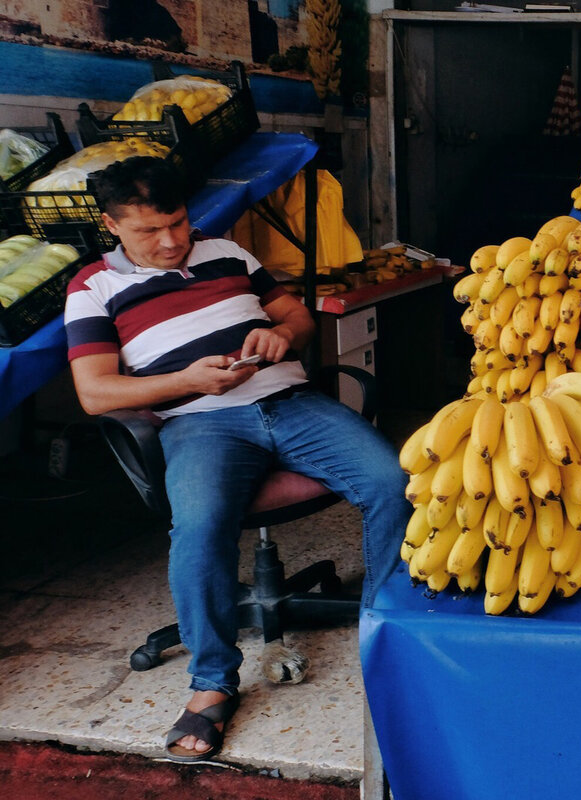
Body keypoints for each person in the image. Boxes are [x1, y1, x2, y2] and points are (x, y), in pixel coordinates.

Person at [64, 156, 409, 763]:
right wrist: (186, 382)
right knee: (199, 526)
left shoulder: (228, 253)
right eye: (148, 230)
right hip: (200, 425)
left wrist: (283, 336)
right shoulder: (93, 287)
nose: (170, 241)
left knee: (393, 480)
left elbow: (296, 317)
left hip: (292, 404)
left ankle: (390, 636)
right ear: (111, 224)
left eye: (178, 221)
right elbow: (95, 392)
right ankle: (212, 684)